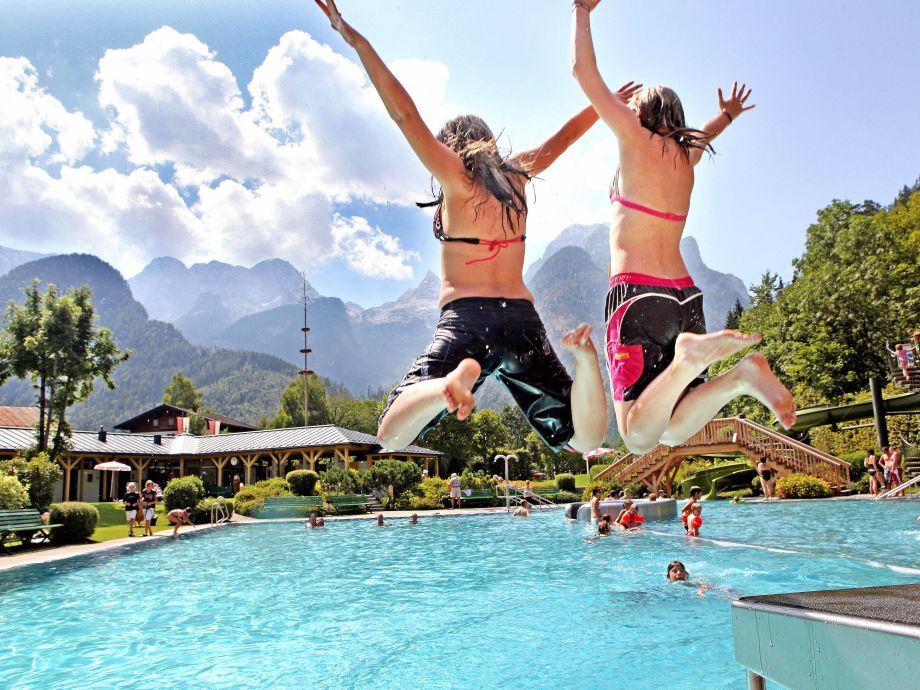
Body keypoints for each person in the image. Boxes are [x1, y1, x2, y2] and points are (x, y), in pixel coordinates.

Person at [315, 0, 613, 458]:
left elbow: (404, 115)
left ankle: (448, 384)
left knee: (391, 433)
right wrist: (606, 105)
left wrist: (355, 39)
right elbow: (568, 137)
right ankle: (588, 364)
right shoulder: (519, 175)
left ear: (453, 145)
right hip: (521, 322)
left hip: (467, 320)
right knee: (586, 440)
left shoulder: (455, 177)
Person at [570, 1, 796, 456]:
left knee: (635, 436)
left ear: (641, 115)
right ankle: (743, 376)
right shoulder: (685, 158)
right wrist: (727, 115)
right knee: (671, 429)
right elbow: (703, 136)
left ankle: (692, 359)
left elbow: (583, 72)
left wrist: (581, 11)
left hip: (638, 294)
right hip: (683, 298)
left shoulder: (635, 140)